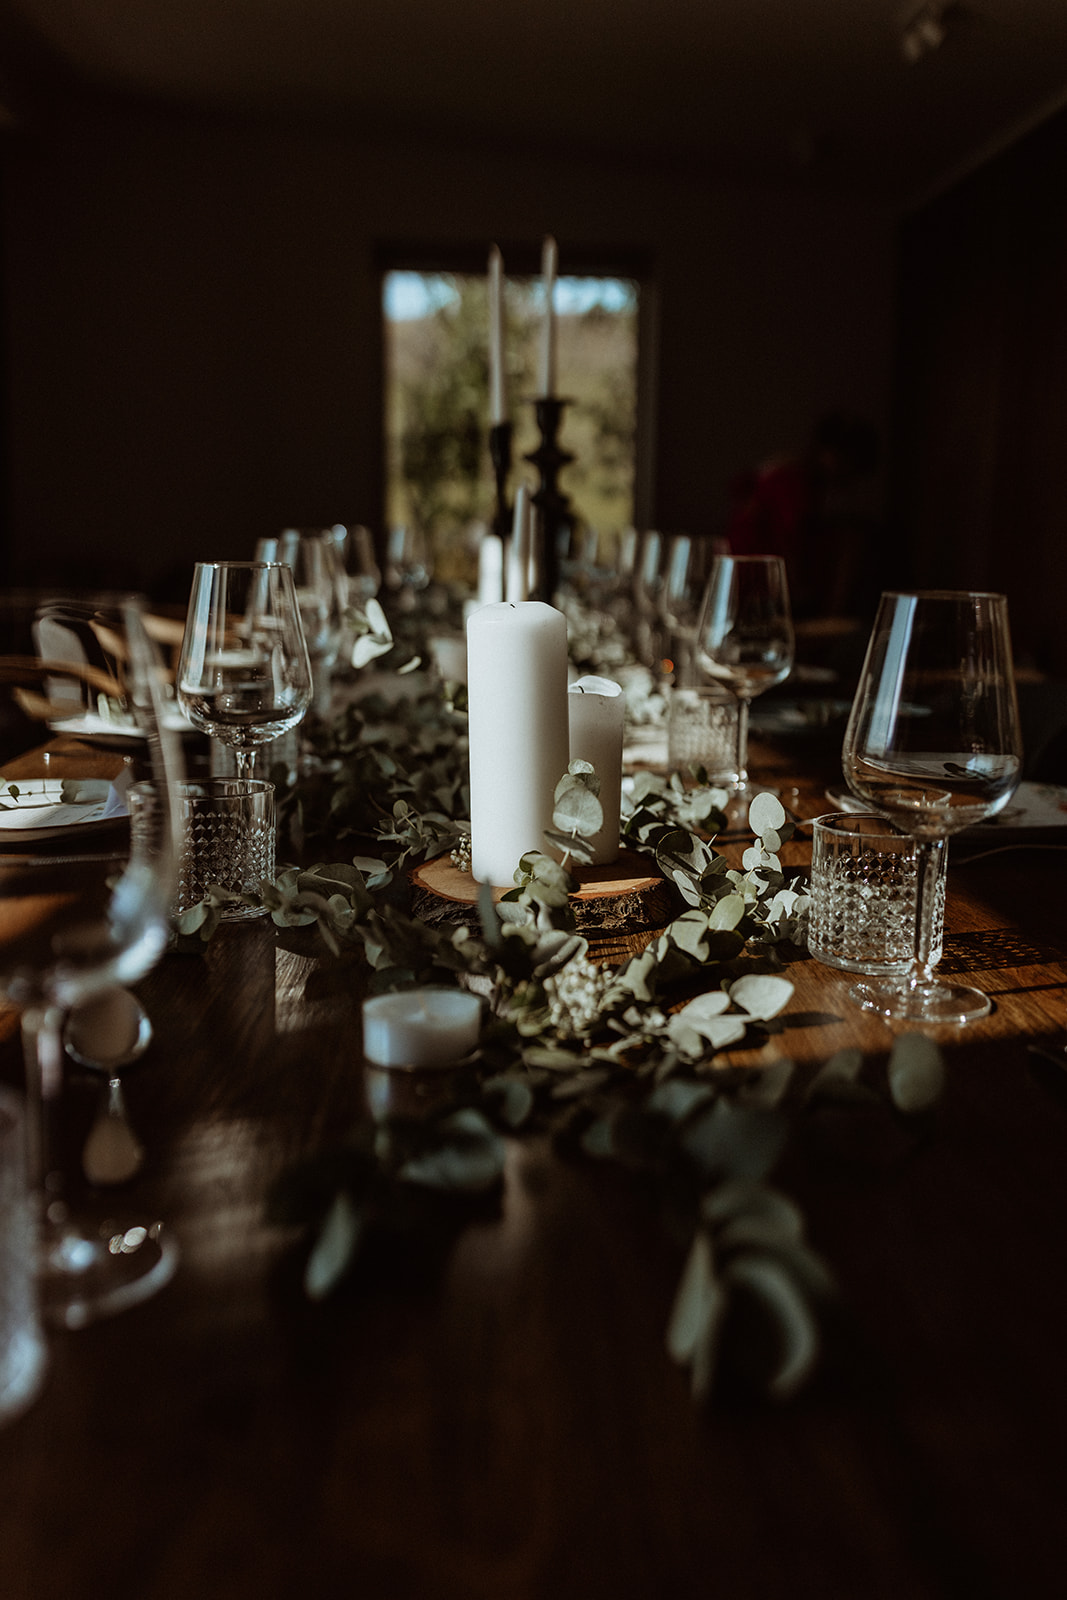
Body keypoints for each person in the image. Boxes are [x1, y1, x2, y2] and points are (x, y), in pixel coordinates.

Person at [725, 411, 881, 618]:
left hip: (751, 579)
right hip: (753, 583)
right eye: (849, 462)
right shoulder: (792, 481)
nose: (849, 475)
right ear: (829, 452)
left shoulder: (797, 478)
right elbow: (788, 540)